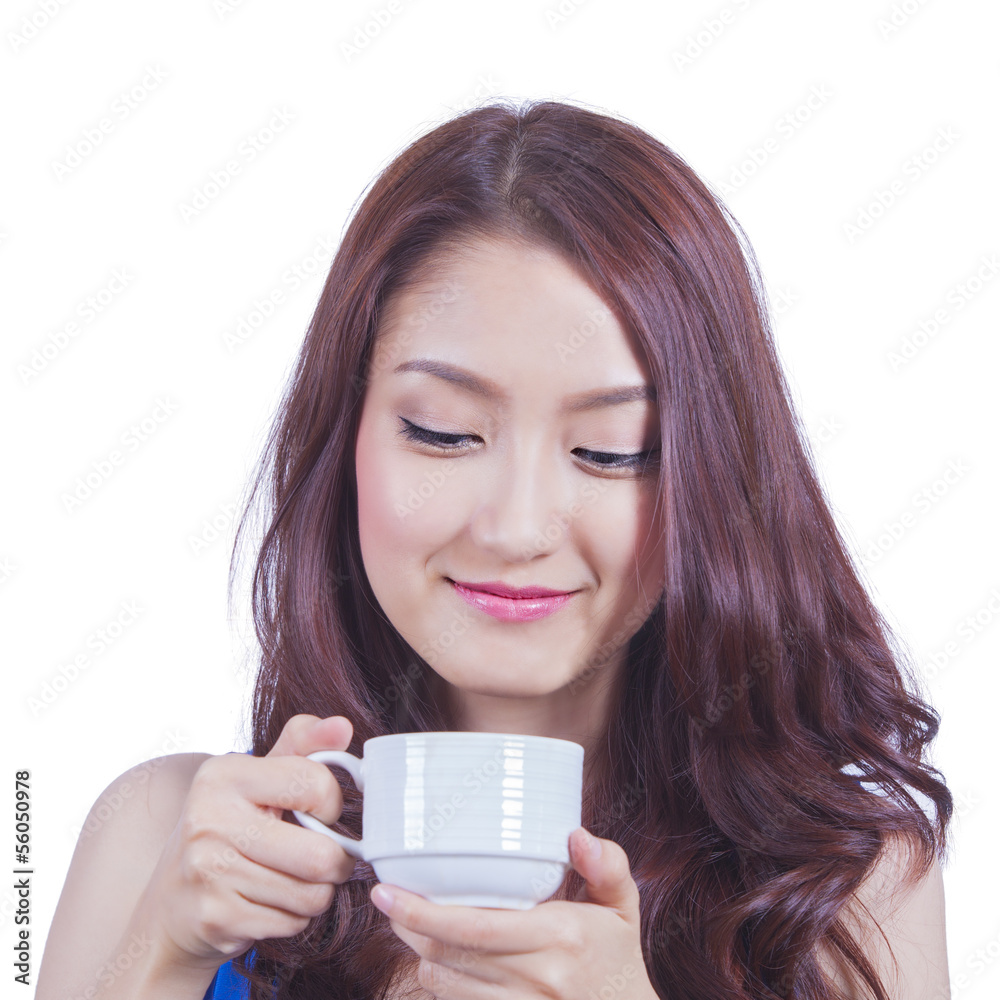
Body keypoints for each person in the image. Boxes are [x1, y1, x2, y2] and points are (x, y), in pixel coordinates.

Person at [36, 98, 952, 1000]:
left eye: (610, 452)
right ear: (343, 438)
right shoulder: (162, 833)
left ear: (712, 478)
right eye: (441, 433)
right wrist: (162, 954)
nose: (516, 529)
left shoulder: (847, 886)